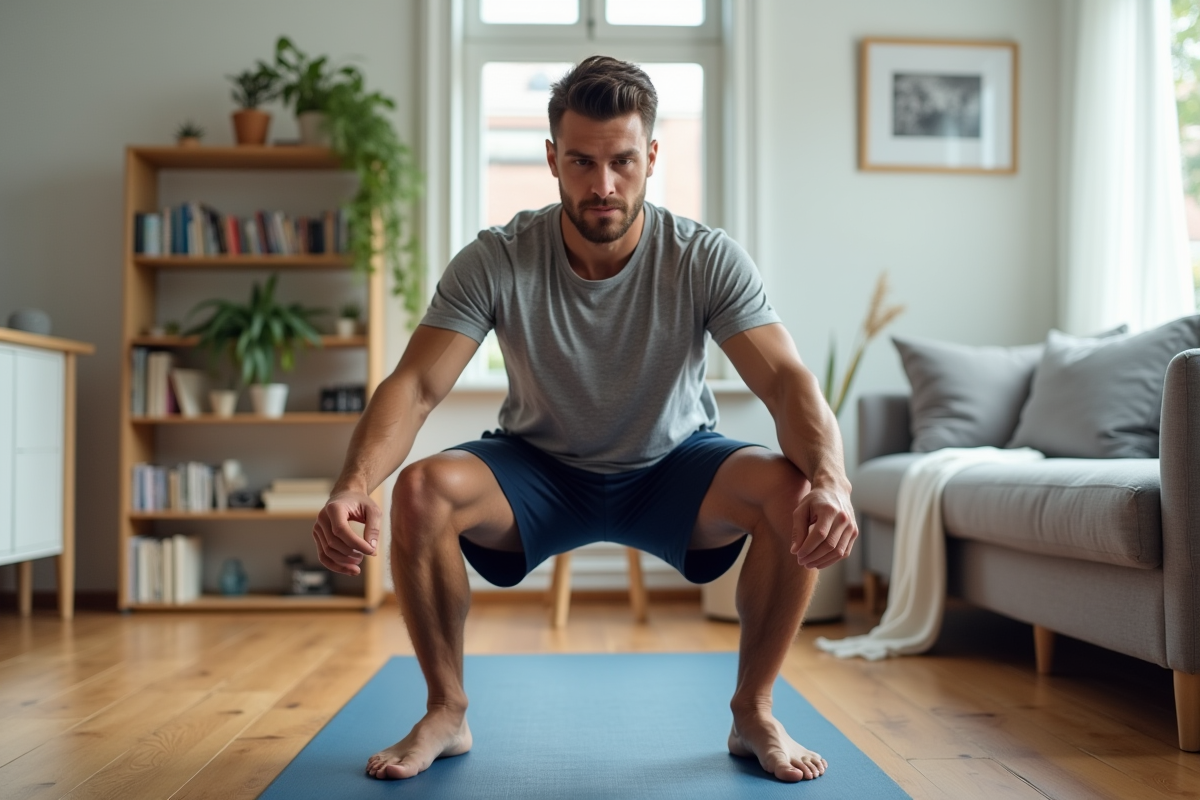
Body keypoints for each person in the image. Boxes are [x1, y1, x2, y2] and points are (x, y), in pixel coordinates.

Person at [312, 55, 857, 784]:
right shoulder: (498, 257)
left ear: (652, 157)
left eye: (622, 161)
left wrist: (831, 480)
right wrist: (352, 485)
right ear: (552, 159)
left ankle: (753, 710)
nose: (604, 185)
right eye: (582, 162)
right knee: (420, 489)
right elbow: (414, 386)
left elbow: (786, 381)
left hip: (674, 467)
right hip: (539, 470)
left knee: (792, 491)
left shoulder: (704, 257)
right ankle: (446, 709)